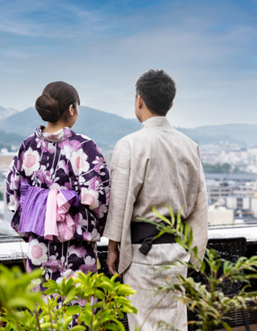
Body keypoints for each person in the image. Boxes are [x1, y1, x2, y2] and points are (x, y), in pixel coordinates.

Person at [104, 70, 208, 331]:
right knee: (174, 322)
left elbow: (119, 202)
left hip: (142, 250)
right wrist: (194, 252)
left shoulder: (130, 144)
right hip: (177, 250)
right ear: (170, 104)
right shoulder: (190, 145)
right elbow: (200, 203)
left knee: (143, 322)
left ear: (139, 100)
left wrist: (113, 247)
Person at [5, 81, 110, 287]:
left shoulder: (28, 145)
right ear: (71, 109)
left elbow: (13, 195)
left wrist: (34, 222)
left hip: (38, 247)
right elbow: (100, 197)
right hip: (77, 249)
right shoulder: (84, 146)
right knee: (78, 310)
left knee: (43, 312)